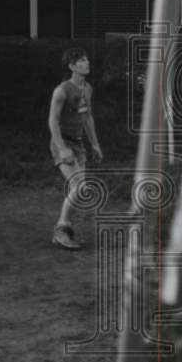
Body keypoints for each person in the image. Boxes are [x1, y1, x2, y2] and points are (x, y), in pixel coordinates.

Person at [48, 47, 103, 250]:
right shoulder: (62, 90)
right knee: (79, 187)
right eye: (82, 60)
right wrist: (62, 148)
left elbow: (88, 118)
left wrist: (95, 144)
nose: (87, 62)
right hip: (62, 142)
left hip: (78, 144)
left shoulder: (87, 88)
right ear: (72, 66)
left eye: (87, 59)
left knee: (80, 189)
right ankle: (61, 228)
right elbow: (53, 121)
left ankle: (62, 229)